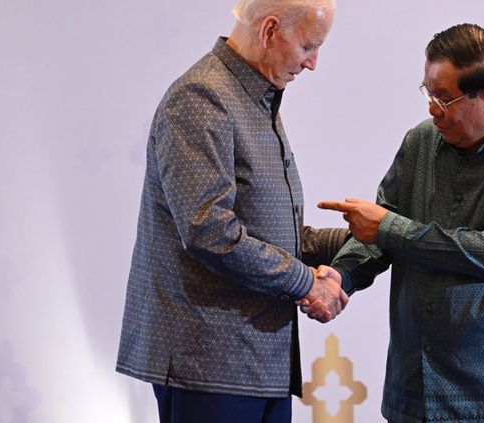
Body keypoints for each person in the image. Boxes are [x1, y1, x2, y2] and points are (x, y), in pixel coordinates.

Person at [318, 23, 484, 422]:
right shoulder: (420, 142)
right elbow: (377, 231)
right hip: (416, 389)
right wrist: (340, 278)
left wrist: (389, 228)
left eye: (443, 97)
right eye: (428, 92)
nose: (431, 109)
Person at [116, 1, 348, 421]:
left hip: (256, 361)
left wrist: (367, 236)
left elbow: (274, 235)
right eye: (309, 46)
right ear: (270, 30)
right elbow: (210, 231)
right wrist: (305, 283)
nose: (313, 63)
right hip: (207, 364)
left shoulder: (254, 97)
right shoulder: (202, 97)